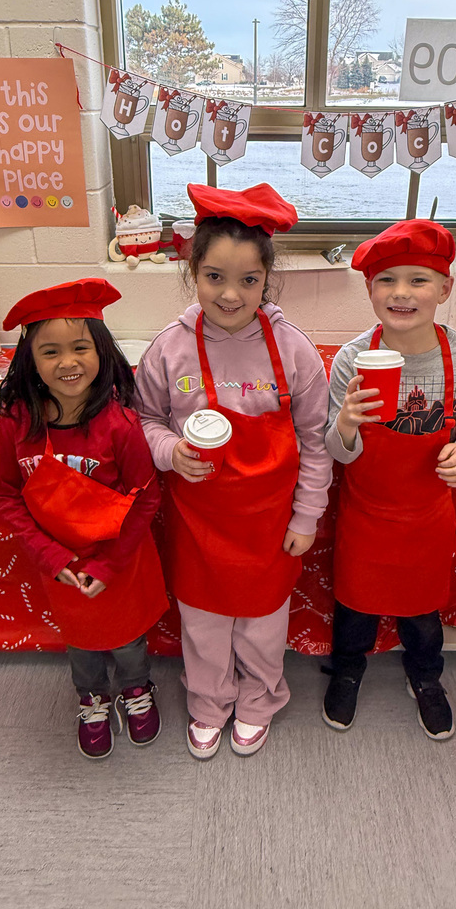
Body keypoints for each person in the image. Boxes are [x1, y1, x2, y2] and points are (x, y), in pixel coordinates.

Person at [135, 183, 332, 759]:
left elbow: (315, 442)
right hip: (199, 520)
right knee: (203, 626)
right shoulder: (168, 350)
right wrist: (171, 452)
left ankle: (258, 701)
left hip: (271, 523)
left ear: (267, 280)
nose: (230, 294)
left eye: (249, 280)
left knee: (263, 627)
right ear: (192, 270)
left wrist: (307, 515)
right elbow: (145, 421)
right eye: (214, 276)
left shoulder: (293, 350)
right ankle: (208, 703)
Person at [323, 220, 456, 740]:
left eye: (418, 280)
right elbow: (336, 451)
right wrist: (347, 422)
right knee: (354, 605)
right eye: (386, 280)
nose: (401, 292)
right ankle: (347, 669)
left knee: (422, 611)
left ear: (445, 288)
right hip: (366, 513)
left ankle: (425, 677)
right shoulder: (353, 359)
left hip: (427, 516)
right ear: (370, 290)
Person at [0, 278, 168, 760]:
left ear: (102, 351)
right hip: (61, 566)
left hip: (119, 561)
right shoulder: (16, 424)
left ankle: (136, 689)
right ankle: (92, 699)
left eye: (79, 347)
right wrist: (50, 555)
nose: (67, 362)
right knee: (82, 645)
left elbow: (146, 501)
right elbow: (7, 495)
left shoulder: (121, 426)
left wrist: (108, 565)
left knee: (129, 641)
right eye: (50, 351)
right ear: (30, 358)